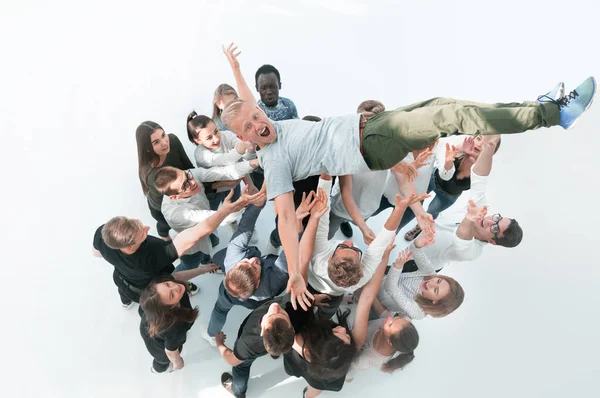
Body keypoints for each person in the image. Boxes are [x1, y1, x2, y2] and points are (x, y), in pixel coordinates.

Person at [219, 42, 596, 308]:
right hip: (372, 144)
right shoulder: (275, 159)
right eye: (250, 127)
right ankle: (551, 114)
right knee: (451, 118)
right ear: (243, 138)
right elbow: (285, 217)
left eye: (256, 116)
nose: (258, 122)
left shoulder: (269, 121)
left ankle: (540, 107)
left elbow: (245, 103)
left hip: (371, 124)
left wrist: (236, 68)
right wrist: (297, 275)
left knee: (442, 106)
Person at [286, 201, 396, 398]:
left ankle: (309, 395)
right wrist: (384, 256)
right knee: (318, 383)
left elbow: (303, 259)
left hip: (311, 359)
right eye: (346, 336)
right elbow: (368, 295)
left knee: (312, 381)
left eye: (336, 333)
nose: (342, 328)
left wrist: (309, 302)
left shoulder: (299, 340)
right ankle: (311, 393)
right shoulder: (355, 342)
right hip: (327, 366)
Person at [199, 192, 319, 345]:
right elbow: (290, 253)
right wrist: (297, 221)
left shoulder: (233, 259)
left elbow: (244, 228)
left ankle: (210, 335)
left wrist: (257, 203)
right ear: (257, 284)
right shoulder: (272, 284)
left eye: (246, 262)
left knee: (220, 309)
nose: (253, 260)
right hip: (254, 301)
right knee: (222, 309)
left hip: (227, 293)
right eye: (254, 267)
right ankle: (211, 334)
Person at [92, 190, 244, 308]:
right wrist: (223, 212)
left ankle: (125, 303)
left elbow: (96, 253)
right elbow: (193, 236)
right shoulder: (154, 256)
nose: (147, 228)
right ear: (130, 245)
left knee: (124, 294)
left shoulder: (103, 234)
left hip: (121, 279)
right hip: (145, 292)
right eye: (142, 232)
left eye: (139, 224)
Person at [305, 174, 426, 319]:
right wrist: (400, 208)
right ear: (362, 269)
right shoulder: (362, 275)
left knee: (319, 318)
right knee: (327, 312)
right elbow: (382, 240)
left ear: (330, 258)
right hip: (332, 294)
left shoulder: (320, 256)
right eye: (356, 250)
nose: (349, 242)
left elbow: (322, 213)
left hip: (309, 283)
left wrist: (326, 173)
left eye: (343, 247)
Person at [408, 135, 523, 273]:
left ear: (492, 241)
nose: (490, 222)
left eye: (495, 229)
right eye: (497, 219)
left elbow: (462, 239)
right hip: (412, 246)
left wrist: (469, 218)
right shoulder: (481, 211)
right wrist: (489, 146)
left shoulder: (473, 252)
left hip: (415, 268)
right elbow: (479, 180)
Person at [154, 165, 263, 271]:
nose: (192, 182)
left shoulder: (187, 176)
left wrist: (255, 162)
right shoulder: (176, 214)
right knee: (189, 265)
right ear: (175, 197)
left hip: (208, 231)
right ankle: (173, 279)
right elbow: (220, 218)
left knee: (213, 242)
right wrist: (245, 202)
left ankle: (206, 260)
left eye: (187, 176)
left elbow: (223, 171)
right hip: (192, 247)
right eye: (185, 185)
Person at [402, 135, 501, 241]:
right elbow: (443, 158)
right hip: (434, 179)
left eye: (485, 144)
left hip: (448, 195)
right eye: (479, 138)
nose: (479, 144)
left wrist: (472, 160)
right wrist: (462, 150)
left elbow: (464, 178)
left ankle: (419, 228)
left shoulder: (480, 169)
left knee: (432, 211)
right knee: (415, 201)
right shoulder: (462, 147)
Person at [215, 294, 311, 398]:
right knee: (279, 345)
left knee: (241, 367)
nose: (275, 307)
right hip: (279, 345)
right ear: (291, 329)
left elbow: (232, 360)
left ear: (262, 332)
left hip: (255, 350)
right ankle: (275, 353)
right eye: (281, 314)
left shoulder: (248, 342)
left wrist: (219, 343)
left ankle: (238, 391)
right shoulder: (296, 312)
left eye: (270, 316)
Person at [375, 231, 465, 320]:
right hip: (378, 281)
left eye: (435, 290)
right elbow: (416, 251)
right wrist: (419, 243)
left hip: (376, 306)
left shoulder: (419, 312)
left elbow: (391, 288)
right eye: (438, 281)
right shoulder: (430, 274)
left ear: (435, 302)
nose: (431, 283)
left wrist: (398, 266)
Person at [186, 111, 257, 211]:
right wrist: (242, 147)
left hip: (233, 185)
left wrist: (250, 147)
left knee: (233, 208)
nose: (216, 138)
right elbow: (225, 160)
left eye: (216, 131)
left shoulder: (227, 136)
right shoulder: (200, 154)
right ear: (198, 141)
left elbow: (245, 158)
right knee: (212, 212)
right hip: (214, 191)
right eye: (209, 137)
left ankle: (232, 219)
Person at [136, 121, 194, 240]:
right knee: (165, 225)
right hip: (162, 207)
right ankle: (164, 236)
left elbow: (188, 167)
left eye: (163, 135)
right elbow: (168, 202)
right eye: (156, 142)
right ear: (147, 148)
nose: (164, 143)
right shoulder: (152, 175)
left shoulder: (172, 140)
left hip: (181, 191)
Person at [139, 275, 199, 373]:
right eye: (172, 295)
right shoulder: (175, 327)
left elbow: (176, 276)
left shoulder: (155, 294)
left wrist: (204, 269)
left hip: (147, 325)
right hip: (159, 348)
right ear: (169, 309)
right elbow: (170, 351)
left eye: (167, 284)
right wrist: (178, 363)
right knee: (162, 361)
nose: (176, 287)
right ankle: (156, 370)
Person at [346, 311, 419, 379]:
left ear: (389, 342)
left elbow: (348, 371)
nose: (389, 318)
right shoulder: (394, 326)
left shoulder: (366, 358)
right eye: (396, 318)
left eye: (390, 324)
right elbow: (383, 313)